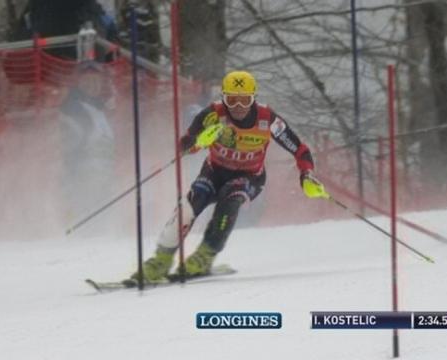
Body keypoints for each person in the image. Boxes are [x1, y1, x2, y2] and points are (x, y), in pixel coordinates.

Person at [131, 70, 328, 283]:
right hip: (214, 171)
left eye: (245, 100)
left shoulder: (268, 119)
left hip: (249, 176)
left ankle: (205, 255)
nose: (238, 107)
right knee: (191, 203)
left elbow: (300, 150)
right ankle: (161, 260)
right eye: (231, 100)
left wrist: (306, 175)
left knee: (230, 199)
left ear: (254, 98)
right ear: (224, 97)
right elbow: (183, 147)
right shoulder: (212, 114)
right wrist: (199, 141)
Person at [59, 60, 116, 228]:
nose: (93, 85)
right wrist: (77, 176)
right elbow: (70, 145)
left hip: (103, 179)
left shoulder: (97, 109)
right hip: (84, 181)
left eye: (96, 80)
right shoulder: (74, 108)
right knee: (88, 229)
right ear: (79, 83)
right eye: (87, 81)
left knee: (104, 228)